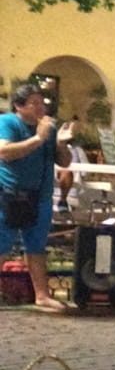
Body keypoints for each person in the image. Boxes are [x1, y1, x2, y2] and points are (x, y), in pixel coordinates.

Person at [0, 85, 75, 311]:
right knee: (2, 244)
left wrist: (60, 142)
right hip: (11, 194)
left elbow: (65, 162)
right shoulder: (9, 123)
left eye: (42, 102)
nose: (41, 107)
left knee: (37, 246)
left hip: (40, 196)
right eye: (34, 103)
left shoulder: (49, 129)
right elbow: (5, 152)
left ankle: (41, 295)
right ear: (19, 106)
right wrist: (38, 138)